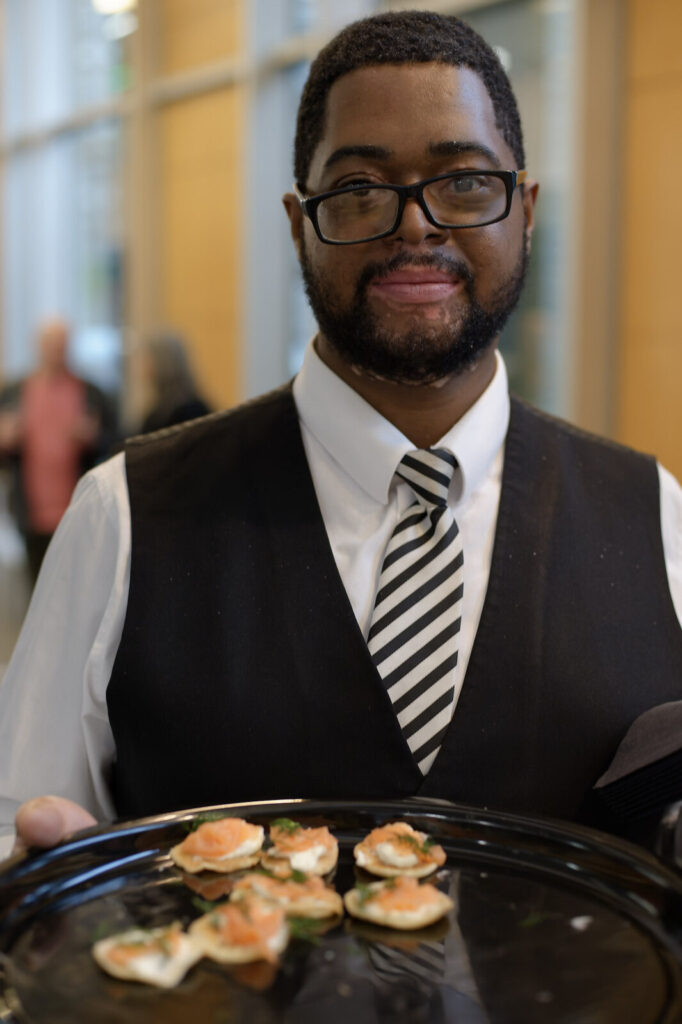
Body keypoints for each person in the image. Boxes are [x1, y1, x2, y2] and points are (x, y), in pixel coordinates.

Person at [1, 10, 681, 861]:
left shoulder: (653, 517)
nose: (417, 227)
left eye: (464, 181)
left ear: (527, 209)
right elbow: (23, 838)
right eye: (359, 189)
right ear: (298, 222)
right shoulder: (126, 516)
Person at [0, 318, 116, 582]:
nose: (56, 352)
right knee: (37, 584)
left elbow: (116, 440)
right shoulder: (14, 392)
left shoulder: (90, 392)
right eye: (51, 345)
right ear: (38, 347)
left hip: (77, 508)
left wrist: (92, 438)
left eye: (61, 345)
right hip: (30, 510)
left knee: (75, 584)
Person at [136, 331, 211, 434]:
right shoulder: (197, 406)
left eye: (147, 359)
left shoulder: (167, 416)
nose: (142, 366)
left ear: (162, 363)